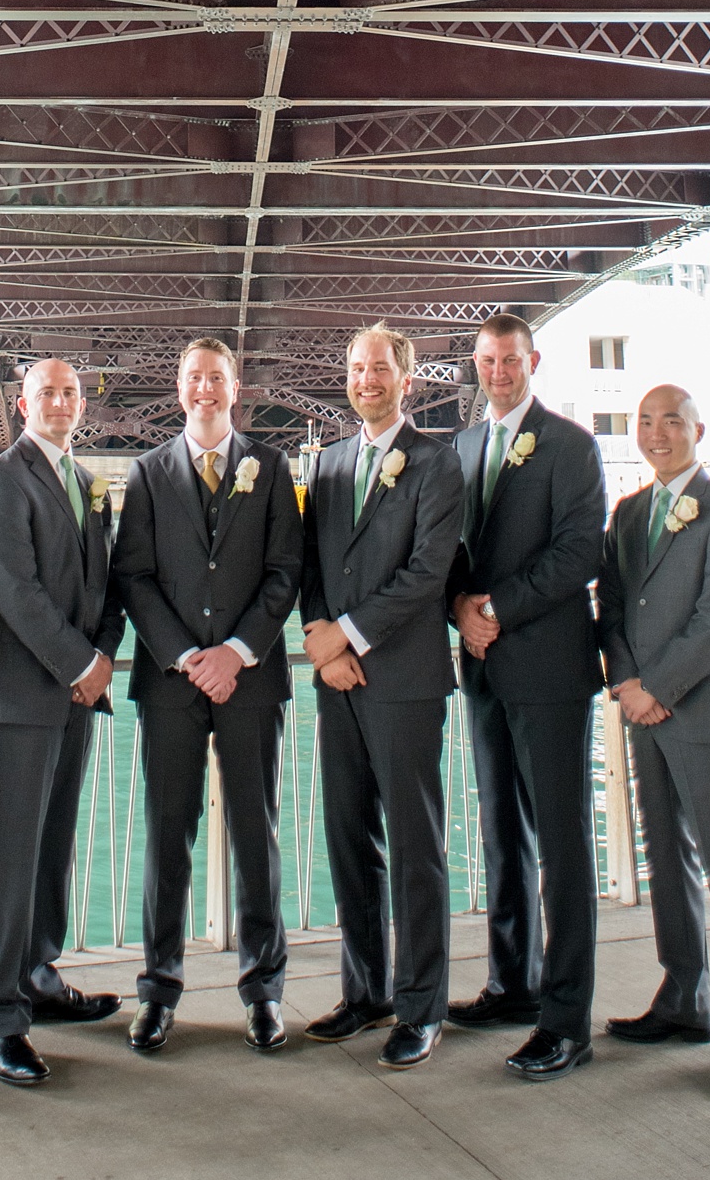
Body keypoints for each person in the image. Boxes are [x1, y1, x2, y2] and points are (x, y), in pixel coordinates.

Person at [113, 334, 303, 1055]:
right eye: (194, 377)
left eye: (216, 378)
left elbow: (285, 569)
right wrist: (190, 656)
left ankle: (265, 990)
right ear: (179, 384)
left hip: (251, 679)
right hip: (171, 683)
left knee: (257, 834)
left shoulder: (272, 465)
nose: (205, 390)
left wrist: (239, 651)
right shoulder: (148, 472)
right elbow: (133, 575)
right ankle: (158, 991)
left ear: (235, 386)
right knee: (169, 836)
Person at [598, 382, 710, 1093]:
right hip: (643, 710)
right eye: (645, 422)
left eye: (672, 420)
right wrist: (624, 682)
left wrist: (655, 689)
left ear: (700, 428)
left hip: (699, 713)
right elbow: (609, 605)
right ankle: (682, 998)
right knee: (665, 859)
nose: (657, 433)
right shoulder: (629, 512)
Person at [299, 324, 463, 1070]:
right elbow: (308, 566)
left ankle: (421, 1005)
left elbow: (430, 571)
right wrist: (318, 639)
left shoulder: (436, 461)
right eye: (356, 367)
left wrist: (349, 637)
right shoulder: (329, 463)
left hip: (403, 681)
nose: (366, 379)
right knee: (348, 838)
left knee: (415, 846)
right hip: (339, 685)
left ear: (408, 378)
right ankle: (363, 991)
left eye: (379, 369)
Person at [447, 314, 606, 1081]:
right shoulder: (464, 446)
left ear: (532, 360)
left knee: (563, 845)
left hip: (546, 669)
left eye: (510, 358)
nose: (498, 371)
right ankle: (512, 982)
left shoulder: (571, 445)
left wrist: (495, 610)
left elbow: (581, 550)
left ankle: (566, 1018)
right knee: (501, 834)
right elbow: (445, 546)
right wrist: (458, 610)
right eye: (487, 360)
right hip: (482, 668)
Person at [0, 357, 126, 1086]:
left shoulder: (86, 484)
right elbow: (13, 590)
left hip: (74, 694)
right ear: (23, 404)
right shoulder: (1, 481)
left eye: (70, 392)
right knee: (11, 857)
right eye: (46, 393)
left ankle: (39, 977)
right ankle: (0, 1017)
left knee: (52, 844)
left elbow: (108, 585)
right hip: (19, 698)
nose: (60, 402)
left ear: (81, 404)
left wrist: (104, 657)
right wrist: (81, 663)